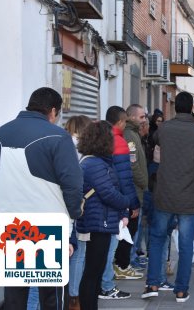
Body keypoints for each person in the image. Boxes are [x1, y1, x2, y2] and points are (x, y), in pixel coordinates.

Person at [0, 87, 83, 309]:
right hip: (50, 226)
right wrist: (75, 214)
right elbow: (73, 185)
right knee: (52, 296)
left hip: (11, 226)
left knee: (15, 295)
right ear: (53, 111)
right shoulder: (59, 137)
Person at [141, 92, 194, 302]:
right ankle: (181, 290)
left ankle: (152, 283)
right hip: (189, 196)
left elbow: (153, 141)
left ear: (175, 108)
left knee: (156, 239)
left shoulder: (164, 129)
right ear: (192, 108)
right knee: (185, 244)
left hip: (164, 194)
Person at [77, 121, 130, 310]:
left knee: (95, 271)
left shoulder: (96, 162)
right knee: (92, 272)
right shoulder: (95, 163)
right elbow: (108, 193)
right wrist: (126, 203)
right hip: (96, 223)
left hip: (100, 221)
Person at [99, 106, 140, 300]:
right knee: (111, 246)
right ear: (121, 122)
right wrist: (133, 204)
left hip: (96, 203)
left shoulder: (97, 139)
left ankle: (101, 283)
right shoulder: (119, 142)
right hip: (114, 203)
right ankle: (107, 285)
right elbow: (125, 179)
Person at [114, 104, 148, 279]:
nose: (144, 120)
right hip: (132, 191)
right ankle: (123, 265)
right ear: (131, 117)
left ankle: (126, 262)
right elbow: (132, 166)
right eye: (141, 117)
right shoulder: (129, 136)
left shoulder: (133, 134)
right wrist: (144, 182)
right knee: (129, 230)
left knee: (133, 230)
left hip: (135, 190)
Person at [64, 115, 91, 310]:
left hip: (63, 208)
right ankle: (75, 297)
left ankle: (71, 295)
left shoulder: (61, 146)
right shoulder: (83, 151)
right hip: (78, 209)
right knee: (78, 254)